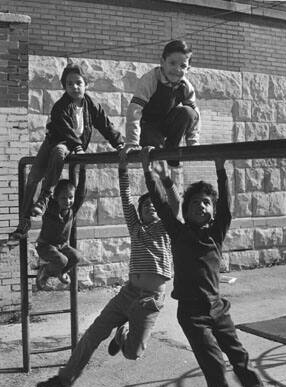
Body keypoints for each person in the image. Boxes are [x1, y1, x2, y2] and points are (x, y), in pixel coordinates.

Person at [142, 147, 281, 387]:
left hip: (217, 308)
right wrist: (148, 172)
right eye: (195, 202)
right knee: (215, 367)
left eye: (206, 203)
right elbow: (159, 203)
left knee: (240, 356)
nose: (201, 206)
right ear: (186, 209)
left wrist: (220, 168)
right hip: (192, 314)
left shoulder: (216, 234)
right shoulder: (178, 232)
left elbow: (226, 205)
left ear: (212, 211)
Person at [36, 150, 180, 387]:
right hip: (128, 293)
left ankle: (122, 334)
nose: (150, 209)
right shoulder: (135, 227)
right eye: (145, 206)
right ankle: (65, 378)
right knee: (93, 333)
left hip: (150, 300)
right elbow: (126, 198)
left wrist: (161, 179)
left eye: (154, 206)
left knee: (133, 354)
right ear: (141, 211)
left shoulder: (165, 227)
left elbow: (174, 204)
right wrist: (122, 169)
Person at [9, 63, 125, 243]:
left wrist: (119, 144)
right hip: (56, 142)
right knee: (34, 176)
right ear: (64, 87)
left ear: (86, 84)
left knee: (78, 185)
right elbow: (64, 129)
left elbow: (105, 124)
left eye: (78, 83)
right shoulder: (60, 106)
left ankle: (64, 225)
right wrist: (77, 145)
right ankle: (29, 216)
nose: (74, 87)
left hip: (76, 146)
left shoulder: (91, 104)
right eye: (69, 84)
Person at [123, 39, 200, 166]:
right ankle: (160, 158)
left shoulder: (186, 87)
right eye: (172, 63)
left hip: (167, 124)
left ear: (188, 69)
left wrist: (193, 143)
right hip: (148, 126)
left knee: (188, 112)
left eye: (182, 66)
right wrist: (132, 142)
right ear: (162, 62)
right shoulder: (150, 80)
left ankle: (172, 149)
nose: (177, 69)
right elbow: (135, 110)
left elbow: (195, 116)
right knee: (156, 154)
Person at [35, 164, 86, 289]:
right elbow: (44, 189)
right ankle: (45, 272)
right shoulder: (50, 207)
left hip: (62, 246)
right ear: (55, 198)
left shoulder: (72, 209)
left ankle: (61, 272)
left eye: (70, 198)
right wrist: (51, 166)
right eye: (63, 198)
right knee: (62, 260)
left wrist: (83, 169)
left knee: (76, 257)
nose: (68, 201)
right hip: (45, 245)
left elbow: (81, 192)